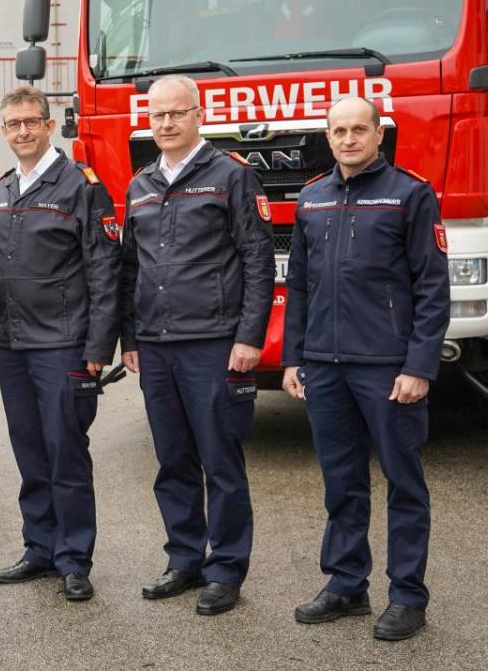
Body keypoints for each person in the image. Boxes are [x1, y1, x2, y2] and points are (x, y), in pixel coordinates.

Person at [282, 96, 449, 641]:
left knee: (404, 483)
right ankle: (347, 584)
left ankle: (407, 596)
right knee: (341, 484)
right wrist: (293, 358)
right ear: (328, 138)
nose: (349, 139)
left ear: (380, 134)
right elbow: (300, 289)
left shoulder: (410, 195)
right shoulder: (311, 199)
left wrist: (419, 365)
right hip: (325, 368)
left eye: (359, 129)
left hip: (387, 368)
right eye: (339, 131)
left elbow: (431, 287)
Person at [120, 74, 274, 615]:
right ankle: (184, 559)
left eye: (176, 113)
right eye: (157, 115)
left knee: (221, 461)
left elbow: (258, 261)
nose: (165, 123)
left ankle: (226, 569)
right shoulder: (140, 184)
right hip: (157, 345)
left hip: (212, 343)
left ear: (198, 114)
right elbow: (130, 268)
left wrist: (249, 337)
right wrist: (130, 337)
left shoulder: (231, 176)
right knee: (173, 460)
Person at [0, 85, 120, 602]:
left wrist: (99, 346)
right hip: (13, 344)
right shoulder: (2, 190)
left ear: (50, 125)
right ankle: (40, 547)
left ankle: (74, 558)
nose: (22, 132)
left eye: (31, 122)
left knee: (67, 454)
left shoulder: (80, 184)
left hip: (63, 345)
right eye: (12, 124)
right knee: (30, 453)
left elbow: (105, 269)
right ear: (4, 131)